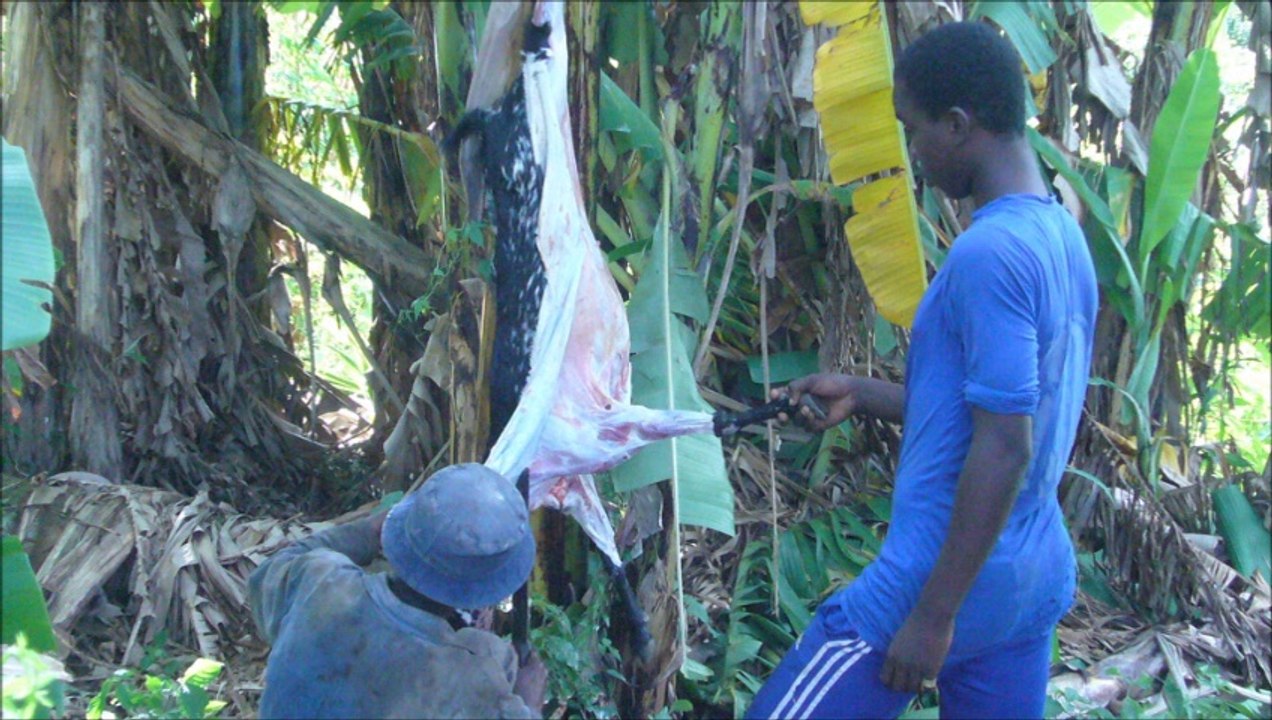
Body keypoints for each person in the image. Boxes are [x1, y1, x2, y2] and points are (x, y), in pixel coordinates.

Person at [746, 21, 1098, 720]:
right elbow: (1006, 411)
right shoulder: (1061, 235)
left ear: (960, 124)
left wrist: (934, 616)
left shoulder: (987, 255)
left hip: (936, 585)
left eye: (916, 129)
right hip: (1029, 585)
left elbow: (1005, 445)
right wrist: (863, 392)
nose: (913, 153)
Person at [248, 463, 547, 718]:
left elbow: (270, 572)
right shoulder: (480, 668)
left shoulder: (320, 583)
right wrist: (530, 704)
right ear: (490, 587)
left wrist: (366, 532)